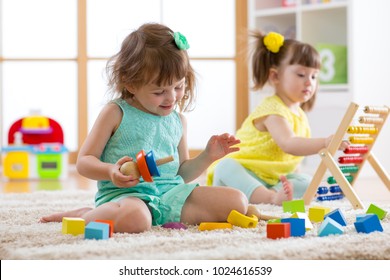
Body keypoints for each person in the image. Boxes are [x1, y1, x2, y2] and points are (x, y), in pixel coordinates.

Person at [40, 23, 248, 233]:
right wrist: (110, 171)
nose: (172, 97)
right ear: (130, 83)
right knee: (136, 219)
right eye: (159, 91)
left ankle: (158, 216)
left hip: (170, 195)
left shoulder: (178, 120)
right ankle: (85, 215)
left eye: (178, 86)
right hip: (127, 197)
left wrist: (208, 156)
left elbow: (181, 173)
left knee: (238, 201)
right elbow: (83, 162)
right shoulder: (115, 113)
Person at [206, 31, 349, 206]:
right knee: (225, 167)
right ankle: (270, 198)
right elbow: (289, 144)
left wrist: (293, 179)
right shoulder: (273, 110)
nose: (309, 82)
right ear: (275, 76)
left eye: (314, 76)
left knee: (309, 182)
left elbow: (292, 162)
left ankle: (273, 193)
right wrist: (325, 142)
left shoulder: (300, 115)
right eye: (301, 74)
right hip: (244, 173)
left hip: (273, 180)